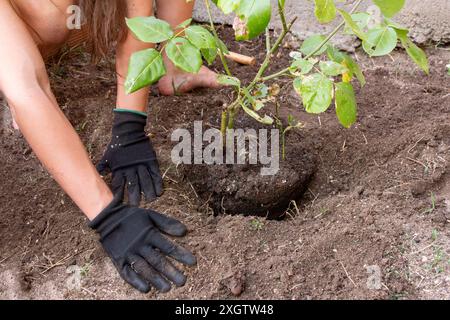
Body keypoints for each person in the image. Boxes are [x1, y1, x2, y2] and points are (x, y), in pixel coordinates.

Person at [0, 0, 219, 293]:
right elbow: (29, 87)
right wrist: (108, 215)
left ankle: (176, 66)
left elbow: (138, 25)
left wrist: (128, 128)